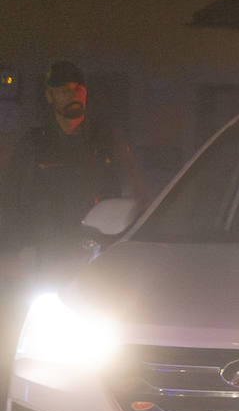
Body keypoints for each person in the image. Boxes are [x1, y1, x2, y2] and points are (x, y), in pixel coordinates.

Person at [0, 60, 145, 284]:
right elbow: (12, 199)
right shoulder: (35, 144)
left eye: (78, 89)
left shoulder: (106, 139)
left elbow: (134, 192)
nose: (72, 95)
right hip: (48, 254)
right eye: (64, 90)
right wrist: (20, 247)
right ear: (50, 96)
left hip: (99, 252)